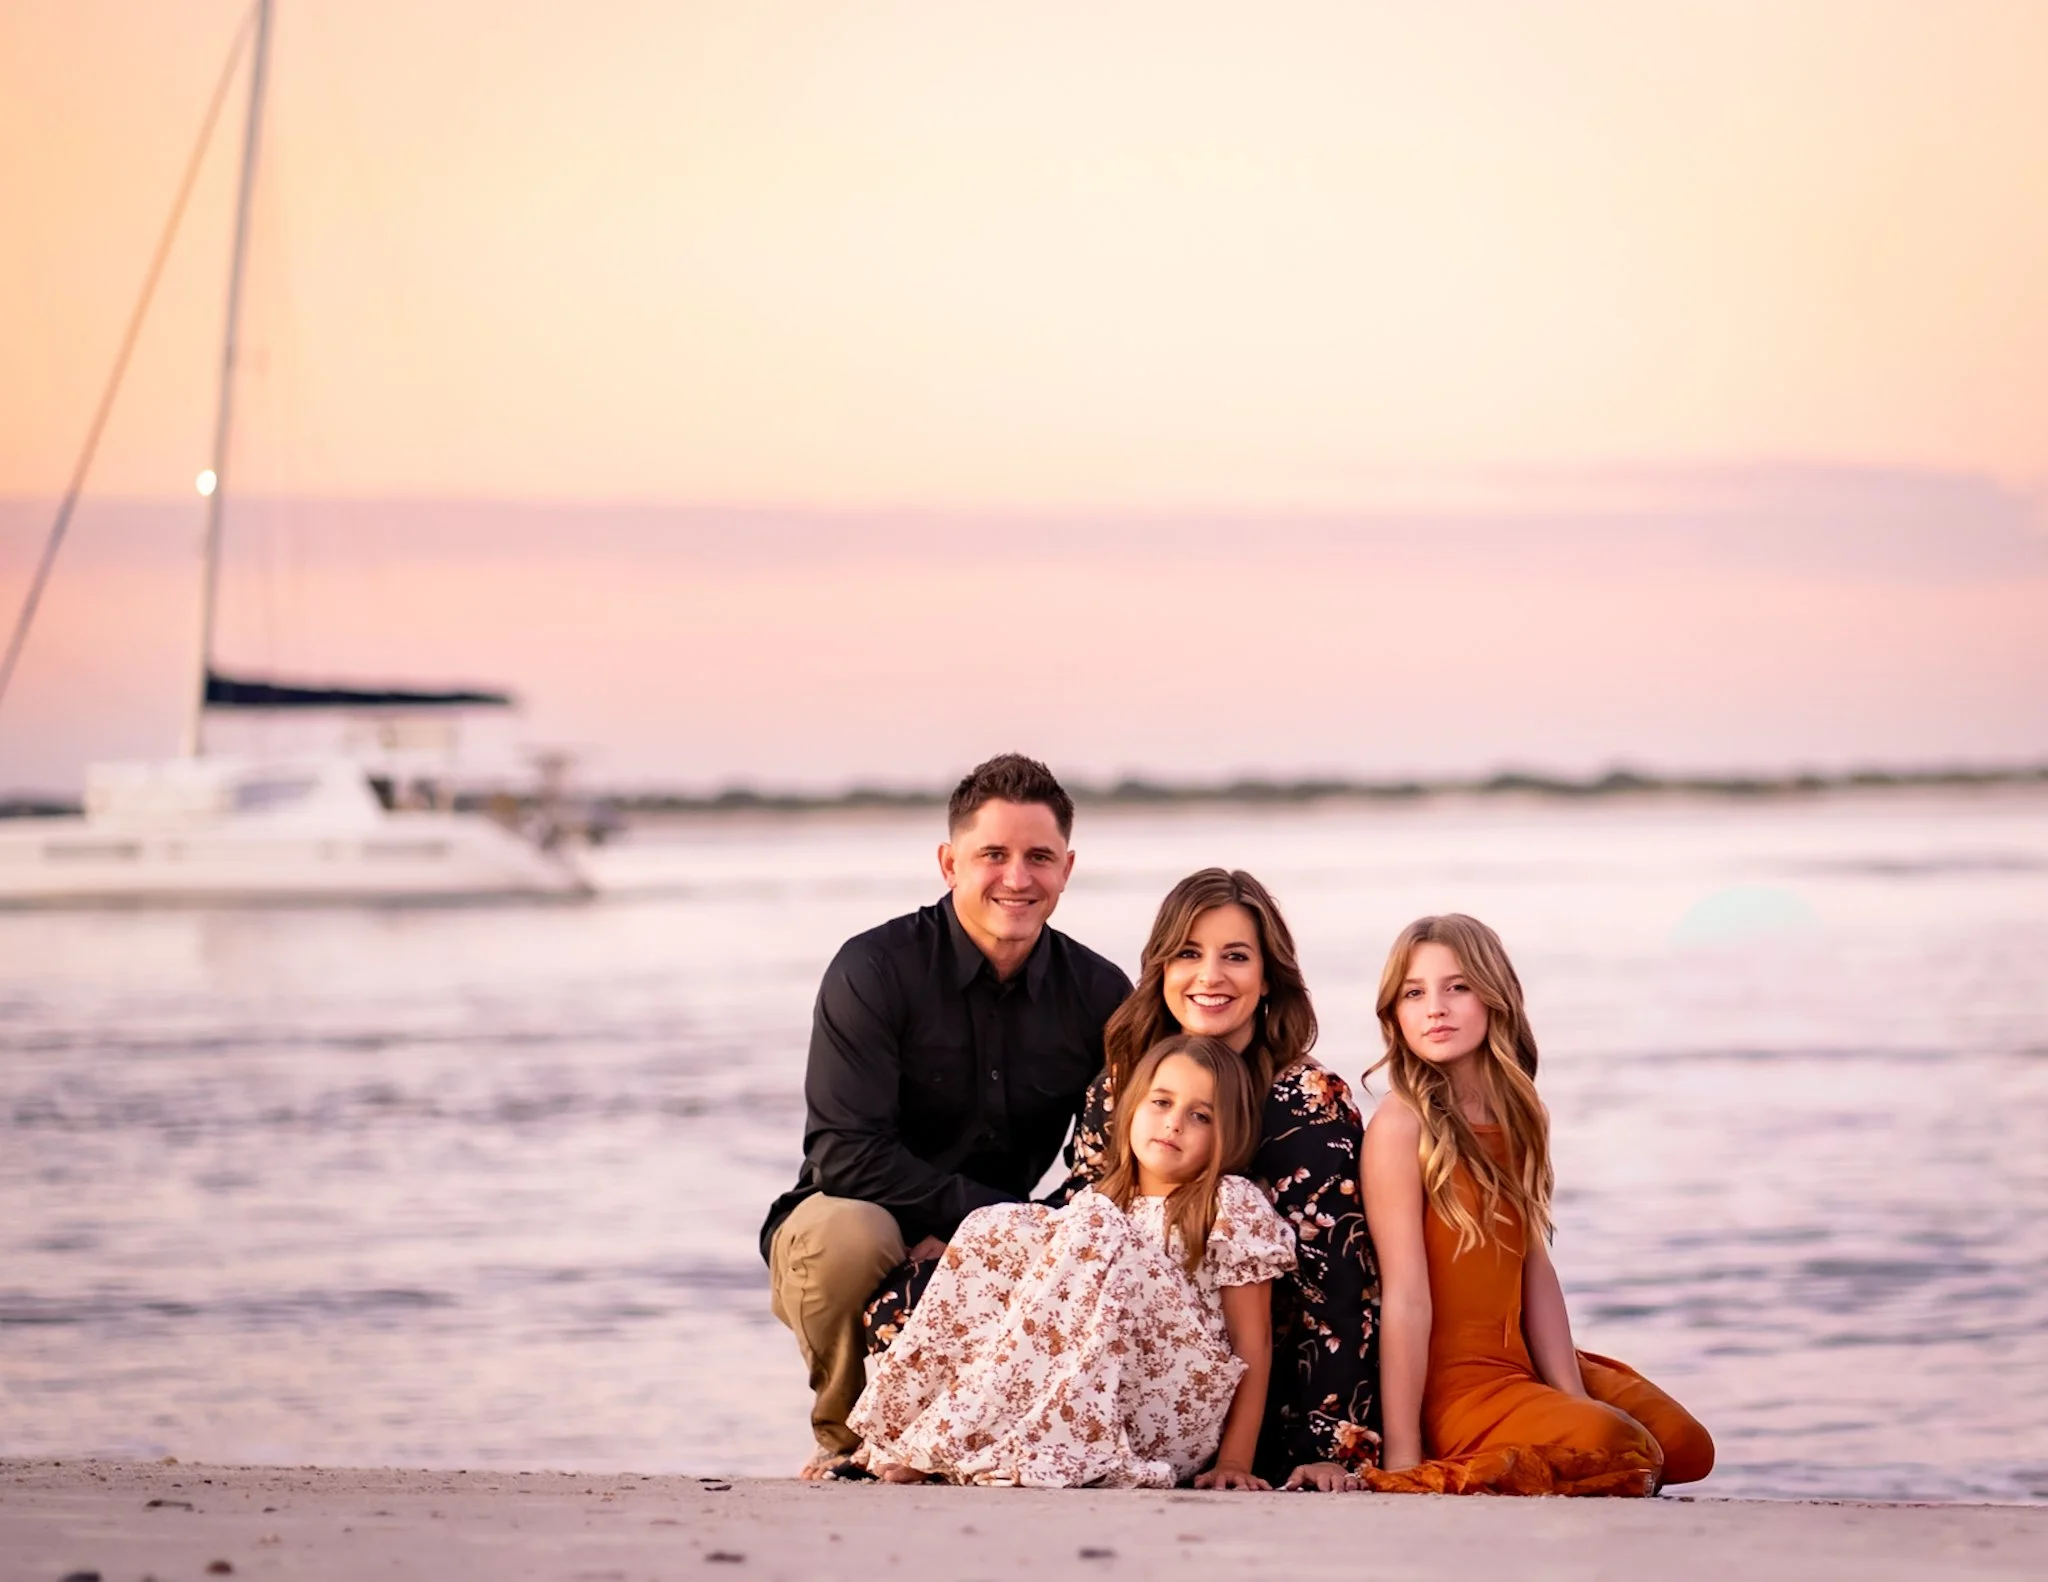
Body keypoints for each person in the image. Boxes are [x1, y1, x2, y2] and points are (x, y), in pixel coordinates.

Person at [865, 866, 1381, 1491]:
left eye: (1235, 957)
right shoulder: (1131, 1075)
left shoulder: (1305, 1100)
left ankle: (961, 1441)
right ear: (1162, 966)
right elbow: (1087, 1195)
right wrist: (980, 1249)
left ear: (1268, 977)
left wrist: (1328, 1443)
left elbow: (1339, 1279)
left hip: (1239, 1378)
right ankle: (925, 1438)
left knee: (1083, 1233)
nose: (1209, 976)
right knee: (926, 1283)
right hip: (1118, 1334)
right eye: (1188, 953)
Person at [758, 753, 1130, 1479]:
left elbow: (1119, 1148)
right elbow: (846, 1153)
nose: (1017, 878)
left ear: (1068, 867)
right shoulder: (874, 969)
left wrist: (1009, 1234)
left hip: (1009, 1225)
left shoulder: (1098, 992)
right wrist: (988, 1223)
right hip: (861, 1214)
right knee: (849, 1236)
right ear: (948, 862)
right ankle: (850, 1442)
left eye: (1039, 857)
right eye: (993, 854)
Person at [1358, 914, 1715, 1496]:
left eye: (1457, 987)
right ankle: (1473, 1459)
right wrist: (1402, 1450)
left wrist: (1567, 1392)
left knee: (1685, 1446)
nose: (1435, 1008)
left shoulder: (1520, 1113)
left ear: (1496, 996)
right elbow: (1405, 1295)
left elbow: (1533, 1269)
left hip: (1519, 1360)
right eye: (1414, 993)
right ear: (1394, 1013)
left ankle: (1555, 1440)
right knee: (1619, 1445)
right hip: (1454, 1386)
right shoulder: (1402, 1124)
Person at [848, 1035, 1297, 1487]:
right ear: (1131, 1110)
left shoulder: (1229, 1201)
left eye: (1200, 1115)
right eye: (1161, 1102)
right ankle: (941, 1438)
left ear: (1229, 1133)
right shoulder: (1103, 1200)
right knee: (998, 1224)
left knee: (1088, 1222)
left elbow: (1252, 1342)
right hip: (1094, 1401)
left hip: (1175, 1411)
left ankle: (950, 1442)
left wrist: (1236, 1462)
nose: (1174, 1123)